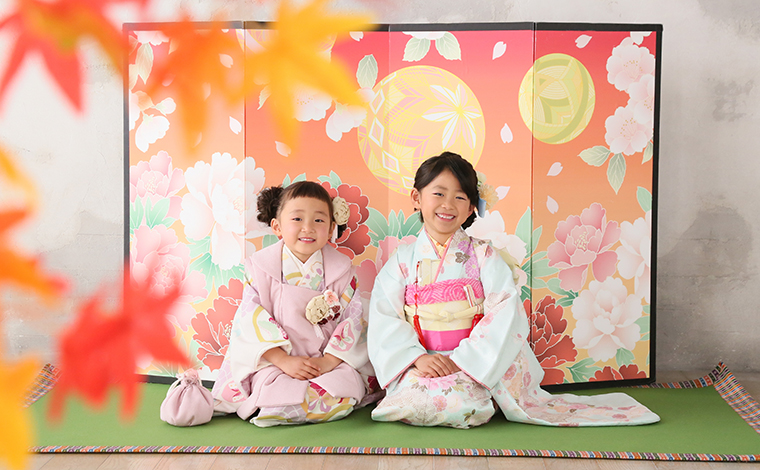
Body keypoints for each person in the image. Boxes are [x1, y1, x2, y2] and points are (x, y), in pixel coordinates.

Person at [367, 152, 660, 429]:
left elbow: (504, 310)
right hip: (422, 361)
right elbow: (385, 317)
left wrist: (463, 361)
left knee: (461, 404)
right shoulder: (402, 262)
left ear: (471, 208)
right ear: (417, 198)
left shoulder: (483, 256)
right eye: (439, 193)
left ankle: (475, 394)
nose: (447, 204)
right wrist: (418, 358)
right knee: (408, 401)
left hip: (472, 362)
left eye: (460, 197)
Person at [211, 181, 375, 427]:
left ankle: (286, 408)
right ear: (277, 226)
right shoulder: (260, 268)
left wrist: (327, 362)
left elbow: (353, 321)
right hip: (277, 362)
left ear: (331, 227)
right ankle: (281, 404)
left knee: (346, 385)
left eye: (318, 221)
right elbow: (251, 320)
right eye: (297, 219)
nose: (308, 228)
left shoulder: (342, 271)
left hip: (326, 362)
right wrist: (283, 361)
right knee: (269, 385)